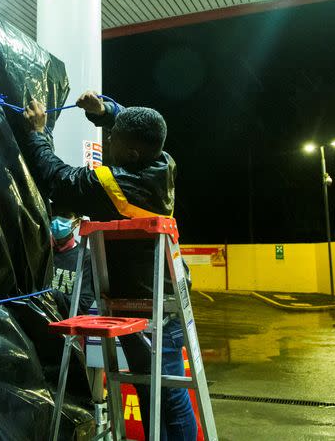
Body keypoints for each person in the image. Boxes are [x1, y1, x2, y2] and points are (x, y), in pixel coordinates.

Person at [23, 91, 197, 441]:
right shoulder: (163, 162)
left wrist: (36, 133)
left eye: (112, 138)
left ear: (131, 153)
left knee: (168, 398)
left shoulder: (118, 187)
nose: (108, 141)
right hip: (155, 302)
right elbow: (131, 128)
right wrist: (106, 111)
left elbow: (56, 178)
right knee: (154, 396)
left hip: (150, 311)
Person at [49, 209, 95, 316]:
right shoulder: (41, 252)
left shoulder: (85, 258)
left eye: (65, 215)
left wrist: (52, 294)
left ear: (77, 222)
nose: (57, 220)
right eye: (55, 214)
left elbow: (82, 304)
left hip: (66, 328)